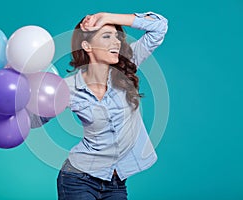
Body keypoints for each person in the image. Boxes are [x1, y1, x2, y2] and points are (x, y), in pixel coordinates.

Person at [31, 11, 168, 200]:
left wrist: (107, 17)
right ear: (87, 45)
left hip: (116, 183)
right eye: (106, 36)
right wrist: (22, 93)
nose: (116, 42)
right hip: (77, 179)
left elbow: (159, 27)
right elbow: (34, 120)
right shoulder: (68, 87)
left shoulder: (126, 66)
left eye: (117, 36)